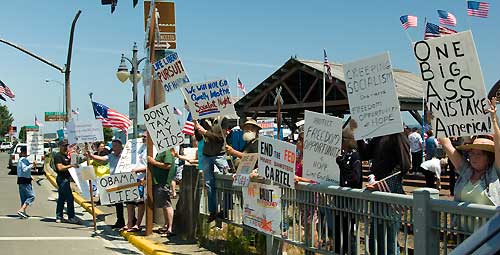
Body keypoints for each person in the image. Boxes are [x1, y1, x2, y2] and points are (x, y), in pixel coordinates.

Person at [351, 119, 411, 255]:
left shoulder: (397, 133)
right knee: (376, 237)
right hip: (378, 193)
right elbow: (365, 154)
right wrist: (358, 133)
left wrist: (384, 183)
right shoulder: (379, 135)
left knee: (389, 237)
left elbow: (405, 165)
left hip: (390, 192)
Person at [438, 97, 500, 206]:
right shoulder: (466, 171)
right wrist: (435, 120)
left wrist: (493, 120)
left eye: (478, 154)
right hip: (460, 223)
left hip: (488, 223)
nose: (473, 157)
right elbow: (447, 144)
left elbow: (498, 146)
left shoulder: (494, 173)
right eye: (471, 153)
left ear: (489, 157)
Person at [195, 117, 230, 222]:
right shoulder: (203, 119)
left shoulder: (223, 119)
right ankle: (213, 211)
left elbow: (221, 137)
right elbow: (198, 138)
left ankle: (226, 210)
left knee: (228, 182)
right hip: (206, 155)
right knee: (209, 184)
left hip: (220, 155)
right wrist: (196, 127)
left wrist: (205, 132)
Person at [87, 139, 125, 229]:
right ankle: (120, 221)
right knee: (118, 203)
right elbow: (102, 160)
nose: (113, 148)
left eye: (115, 146)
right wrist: (91, 155)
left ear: (120, 146)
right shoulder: (111, 156)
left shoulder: (125, 155)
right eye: (113, 146)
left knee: (129, 203)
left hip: (124, 181)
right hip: (115, 181)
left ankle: (132, 221)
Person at [148, 148, 176, 237]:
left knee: (167, 204)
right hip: (158, 182)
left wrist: (153, 162)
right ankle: (166, 225)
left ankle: (170, 228)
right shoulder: (161, 152)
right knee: (164, 205)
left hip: (163, 182)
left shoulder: (166, 151)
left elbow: (168, 165)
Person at [124, 133, 148, 232]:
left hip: (141, 178)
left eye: (145, 136)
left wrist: (138, 171)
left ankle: (137, 224)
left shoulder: (152, 149)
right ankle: (129, 223)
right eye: (142, 136)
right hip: (131, 177)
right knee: (129, 201)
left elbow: (150, 166)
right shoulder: (139, 147)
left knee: (140, 202)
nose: (143, 138)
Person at [53, 140, 79, 224]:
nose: (65, 147)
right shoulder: (58, 156)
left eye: (66, 146)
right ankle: (71, 217)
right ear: (60, 146)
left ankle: (59, 216)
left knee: (62, 198)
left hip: (67, 179)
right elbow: (60, 168)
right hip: (62, 179)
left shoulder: (66, 156)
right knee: (69, 198)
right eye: (64, 146)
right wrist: (70, 165)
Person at [16, 146, 36, 218]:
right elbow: (25, 169)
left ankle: (23, 212)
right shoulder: (23, 160)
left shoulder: (20, 160)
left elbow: (21, 171)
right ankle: (21, 210)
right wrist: (32, 165)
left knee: (23, 197)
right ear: (25, 152)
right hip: (25, 181)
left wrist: (30, 176)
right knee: (31, 196)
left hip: (21, 180)